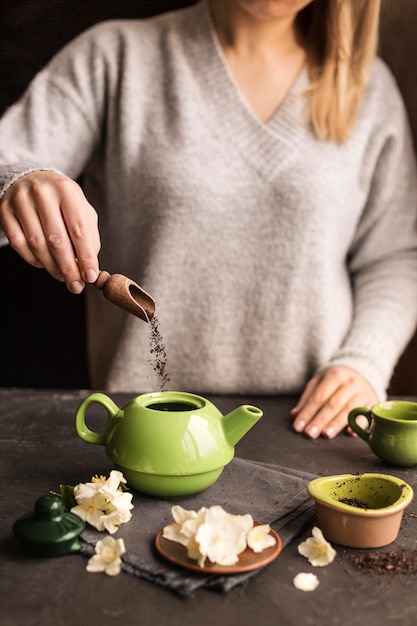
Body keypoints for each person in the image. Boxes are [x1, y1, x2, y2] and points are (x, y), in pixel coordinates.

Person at [1, 0, 417, 440]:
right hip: (142, 424)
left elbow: (396, 256)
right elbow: (9, 157)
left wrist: (363, 361)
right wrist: (16, 183)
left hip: (313, 426)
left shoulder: (367, 86)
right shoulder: (116, 57)